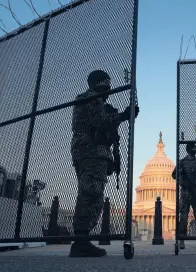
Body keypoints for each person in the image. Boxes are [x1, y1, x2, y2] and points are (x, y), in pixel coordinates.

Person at [69, 69, 139, 257]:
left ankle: (81, 239)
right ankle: (81, 240)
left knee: (89, 192)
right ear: (102, 84)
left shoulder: (91, 99)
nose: (109, 90)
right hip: (90, 152)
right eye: (107, 85)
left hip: (87, 151)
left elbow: (102, 123)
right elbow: (101, 122)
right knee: (91, 194)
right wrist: (124, 116)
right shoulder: (92, 98)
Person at [172, 142, 196, 249]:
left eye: (195, 148)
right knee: (184, 216)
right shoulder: (182, 162)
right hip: (186, 192)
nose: (194, 149)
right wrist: (181, 174)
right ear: (189, 150)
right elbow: (174, 175)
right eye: (193, 148)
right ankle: (182, 241)